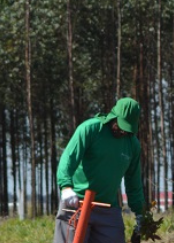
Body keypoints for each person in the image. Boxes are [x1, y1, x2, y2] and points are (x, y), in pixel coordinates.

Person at [53, 97, 145, 243]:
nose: (123, 132)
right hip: (77, 204)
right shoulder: (91, 129)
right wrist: (66, 186)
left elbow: (133, 181)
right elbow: (68, 158)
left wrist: (140, 212)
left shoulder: (132, 144)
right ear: (113, 116)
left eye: (127, 129)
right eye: (121, 126)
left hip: (108, 207)